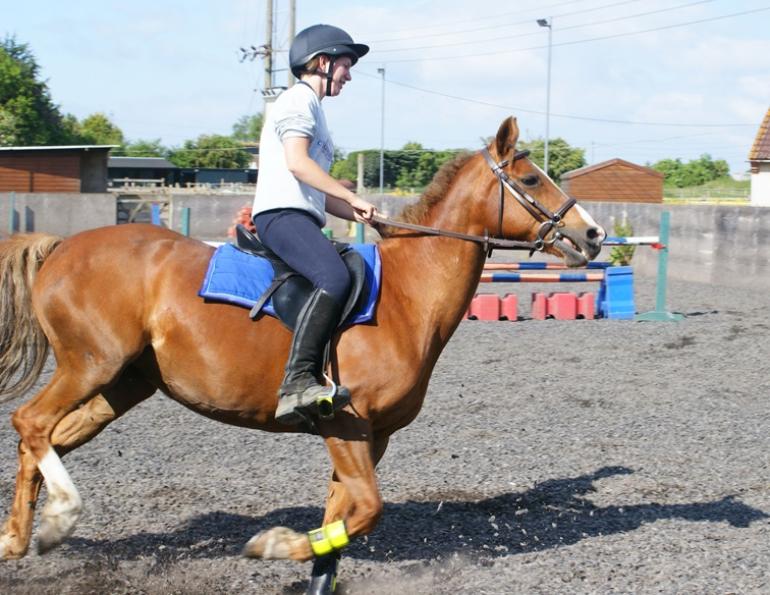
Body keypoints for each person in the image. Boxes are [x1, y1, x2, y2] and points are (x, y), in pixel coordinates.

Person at [251, 24, 378, 425]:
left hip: (300, 213)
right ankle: (297, 382)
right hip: (280, 215)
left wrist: (355, 211)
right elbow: (297, 163)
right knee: (335, 278)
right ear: (322, 63)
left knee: (347, 271)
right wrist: (352, 195)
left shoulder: (315, 111)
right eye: (345, 65)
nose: (349, 74)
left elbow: (316, 191)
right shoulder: (296, 101)